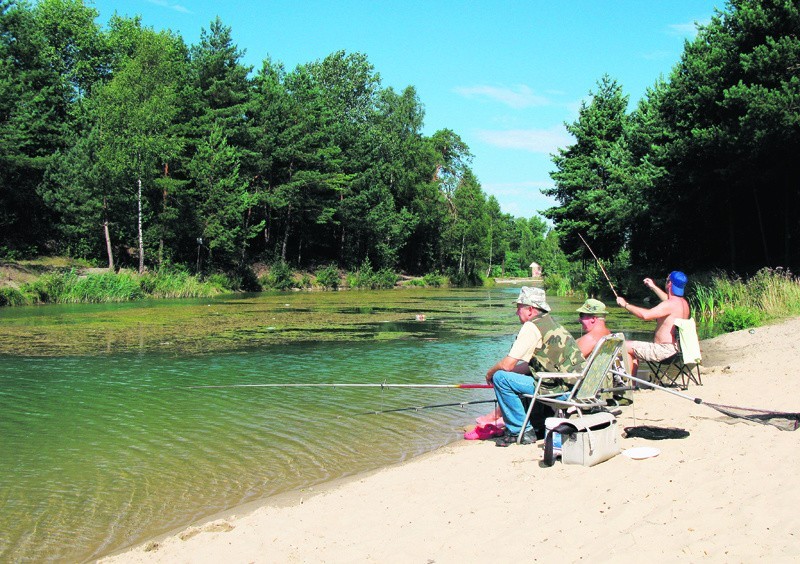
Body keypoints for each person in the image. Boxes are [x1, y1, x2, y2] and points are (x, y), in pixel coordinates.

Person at [485, 286, 586, 445]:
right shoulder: (552, 324)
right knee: (513, 376)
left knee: (500, 378)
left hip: (560, 391)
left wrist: (489, 373)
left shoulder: (531, 327)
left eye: (519, 308)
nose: (516, 312)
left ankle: (521, 431)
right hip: (578, 387)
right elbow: (531, 365)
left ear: (530, 310)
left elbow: (507, 365)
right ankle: (536, 424)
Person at [615, 271, 690, 376]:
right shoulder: (683, 303)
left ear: (669, 284)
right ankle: (631, 382)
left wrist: (625, 304)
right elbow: (668, 299)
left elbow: (646, 315)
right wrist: (653, 286)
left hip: (663, 351)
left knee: (621, 345)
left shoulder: (670, 304)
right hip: (678, 352)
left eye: (666, 280)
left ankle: (629, 383)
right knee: (632, 349)